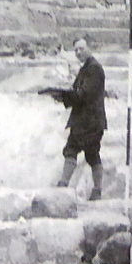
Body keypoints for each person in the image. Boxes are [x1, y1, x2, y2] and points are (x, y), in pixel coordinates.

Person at [41, 36, 107, 199]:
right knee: (92, 154)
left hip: (88, 121)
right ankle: (97, 191)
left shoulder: (93, 69)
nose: (78, 52)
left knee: (72, 149)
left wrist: (63, 95)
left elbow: (84, 95)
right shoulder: (88, 68)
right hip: (90, 120)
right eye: (76, 50)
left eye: (81, 48)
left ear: (89, 48)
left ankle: (64, 185)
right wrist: (62, 96)